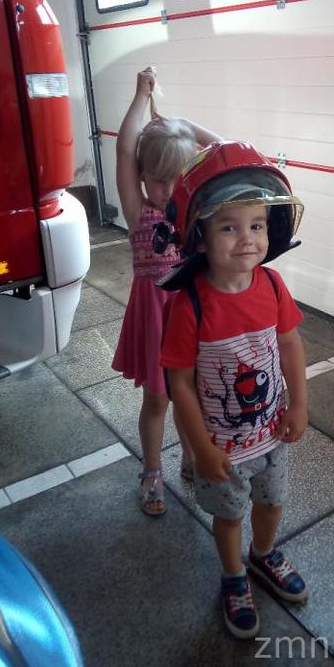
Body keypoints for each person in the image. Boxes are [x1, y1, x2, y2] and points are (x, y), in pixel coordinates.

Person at [160, 140, 309, 639]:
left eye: (257, 225)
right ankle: (233, 577)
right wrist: (200, 448)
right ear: (199, 237)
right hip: (221, 446)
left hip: (271, 433)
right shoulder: (190, 306)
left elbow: (289, 344)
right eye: (228, 227)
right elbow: (179, 382)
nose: (246, 239)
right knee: (229, 516)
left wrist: (300, 404)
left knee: (272, 503)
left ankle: (263, 554)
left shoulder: (273, 286)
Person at [111, 67, 221, 516]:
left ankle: (191, 458)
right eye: (157, 180)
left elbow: (222, 148)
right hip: (155, 315)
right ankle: (152, 471)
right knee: (157, 397)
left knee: (190, 393)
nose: (167, 190)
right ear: (141, 177)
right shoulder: (138, 211)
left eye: (175, 179)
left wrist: (181, 124)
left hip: (190, 316)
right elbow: (124, 147)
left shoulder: (192, 210)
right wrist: (142, 96)